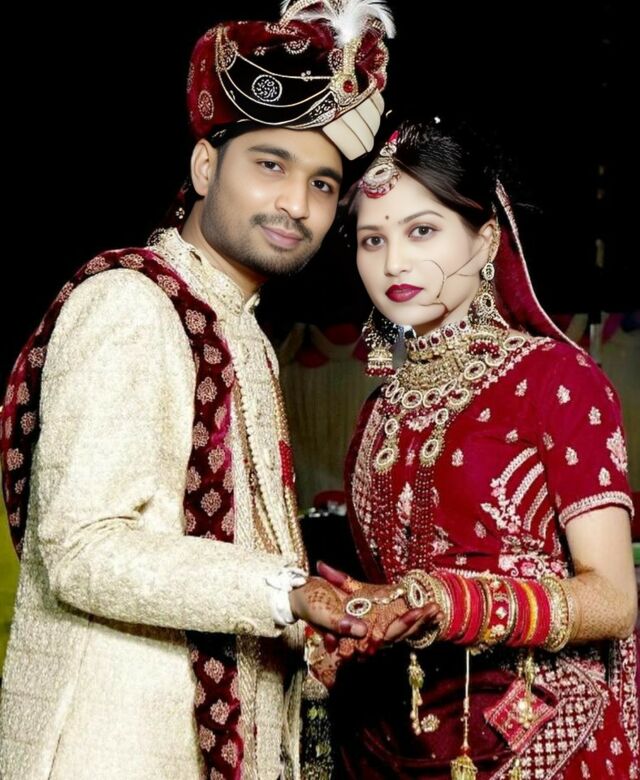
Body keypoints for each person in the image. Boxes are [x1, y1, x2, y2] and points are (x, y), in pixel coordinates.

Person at [0, 3, 398, 778]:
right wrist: (286, 592)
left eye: (322, 184)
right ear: (206, 169)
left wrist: (307, 624)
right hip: (110, 751)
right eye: (270, 165)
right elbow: (82, 548)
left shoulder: (240, 332)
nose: (297, 204)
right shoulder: (131, 303)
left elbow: (227, 566)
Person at [313, 118, 639, 778]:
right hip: (389, 737)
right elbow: (398, 586)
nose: (393, 263)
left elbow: (613, 599)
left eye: (421, 231)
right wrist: (352, 622)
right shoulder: (378, 410)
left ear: (486, 239)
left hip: (539, 735)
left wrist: (453, 600)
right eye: (373, 239)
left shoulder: (556, 379)